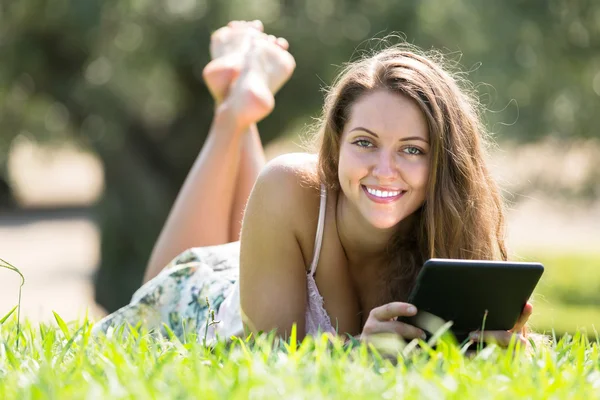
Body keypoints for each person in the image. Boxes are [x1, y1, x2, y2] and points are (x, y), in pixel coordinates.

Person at [92, 20, 533, 347]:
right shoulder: (291, 183)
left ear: (445, 162)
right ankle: (233, 112)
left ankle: (242, 87)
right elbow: (269, 358)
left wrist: (498, 348)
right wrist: (361, 352)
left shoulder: (451, 229)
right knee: (168, 281)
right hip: (207, 297)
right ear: (337, 144)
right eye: (365, 142)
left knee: (262, 224)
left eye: (412, 149)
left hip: (275, 252)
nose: (385, 168)